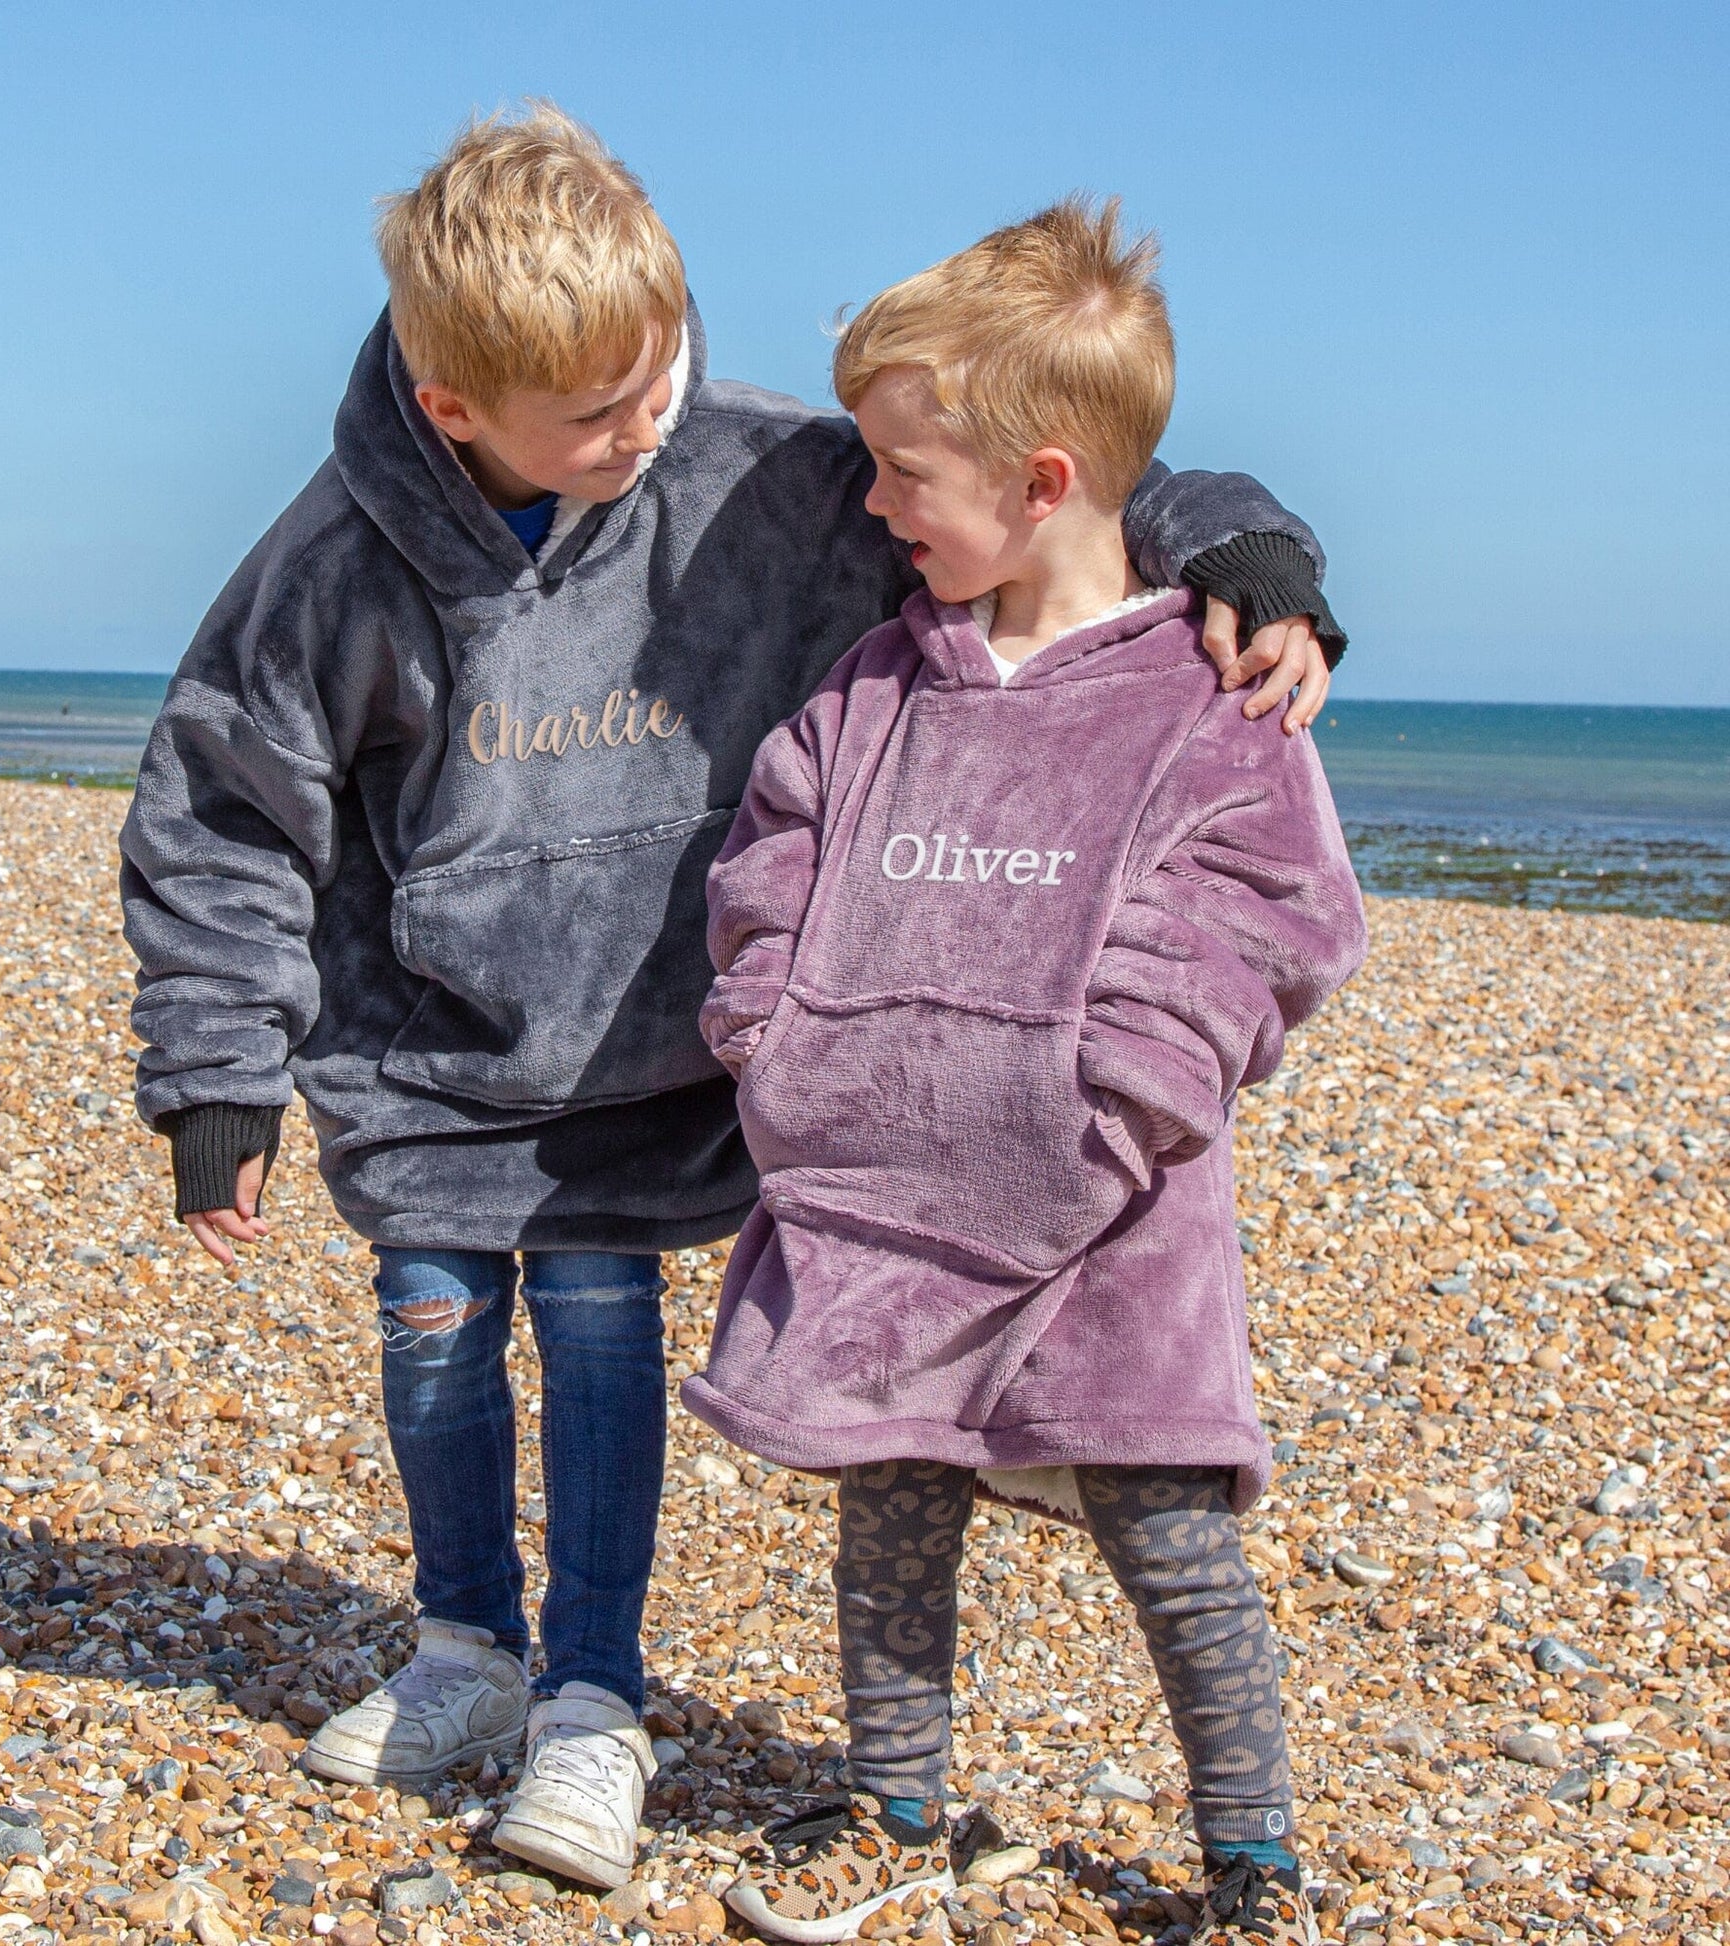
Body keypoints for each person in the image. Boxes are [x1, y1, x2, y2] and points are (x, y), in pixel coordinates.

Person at [120, 106, 1346, 1893]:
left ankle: (596, 1699)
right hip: (427, 1050)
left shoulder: (761, 465)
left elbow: (1066, 466)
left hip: (647, 1057)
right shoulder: (333, 565)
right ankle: (463, 1648)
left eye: (664, 372)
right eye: (605, 414)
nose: (653, 425)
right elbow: (230, 801)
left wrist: (1251, 549)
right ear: (453, 404)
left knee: (603, 1328)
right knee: (434, 1331)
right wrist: (211, 1067)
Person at [683, 198, 1367, 1944]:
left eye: (906, 473)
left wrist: (1113, 1097)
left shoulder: (1202, 697)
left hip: (1111, 1218)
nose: (874, 503)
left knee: (1166, 1526)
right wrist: (774, 1038)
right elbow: (775, 855)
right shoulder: (879, 681)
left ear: (1043, 481)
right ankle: (889, 1797)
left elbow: (1266, 911)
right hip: (881, 1193)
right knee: (895, 1500)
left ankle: (1251, 1857)